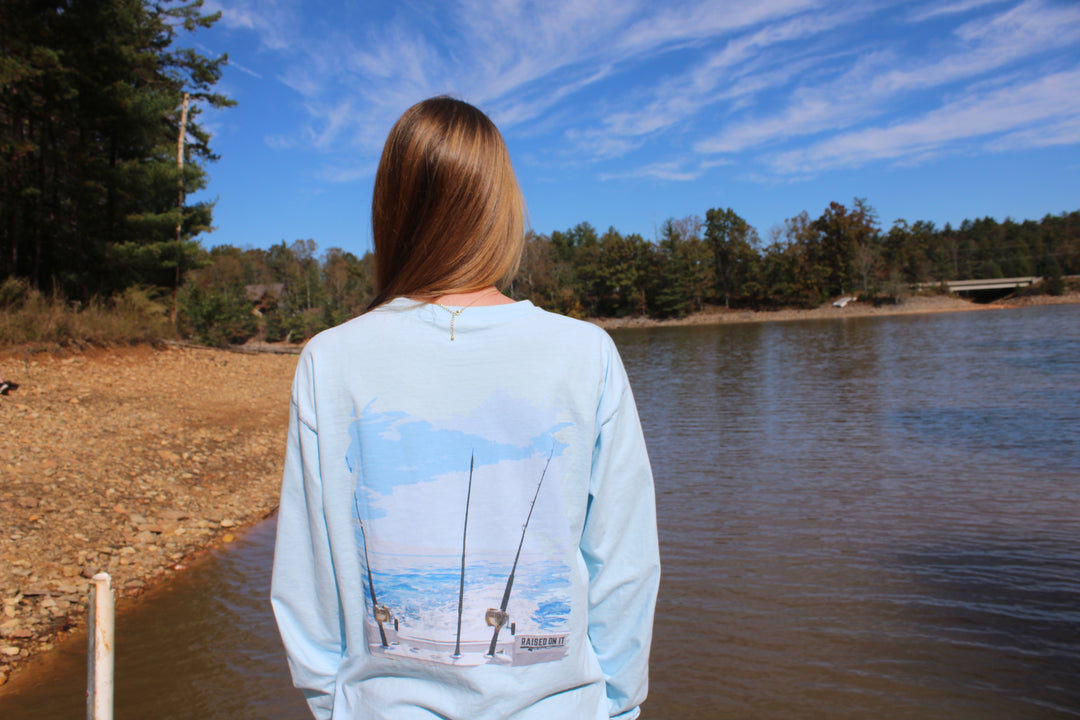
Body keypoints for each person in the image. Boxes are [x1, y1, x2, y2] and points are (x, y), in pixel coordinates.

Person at [271, 96, 659, 720]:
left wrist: (337, 705)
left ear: (391, 209)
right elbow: (624, 567)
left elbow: (305, 583)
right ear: (501, 206)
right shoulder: (586, 352)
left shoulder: (328, 359)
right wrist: (617, 708)